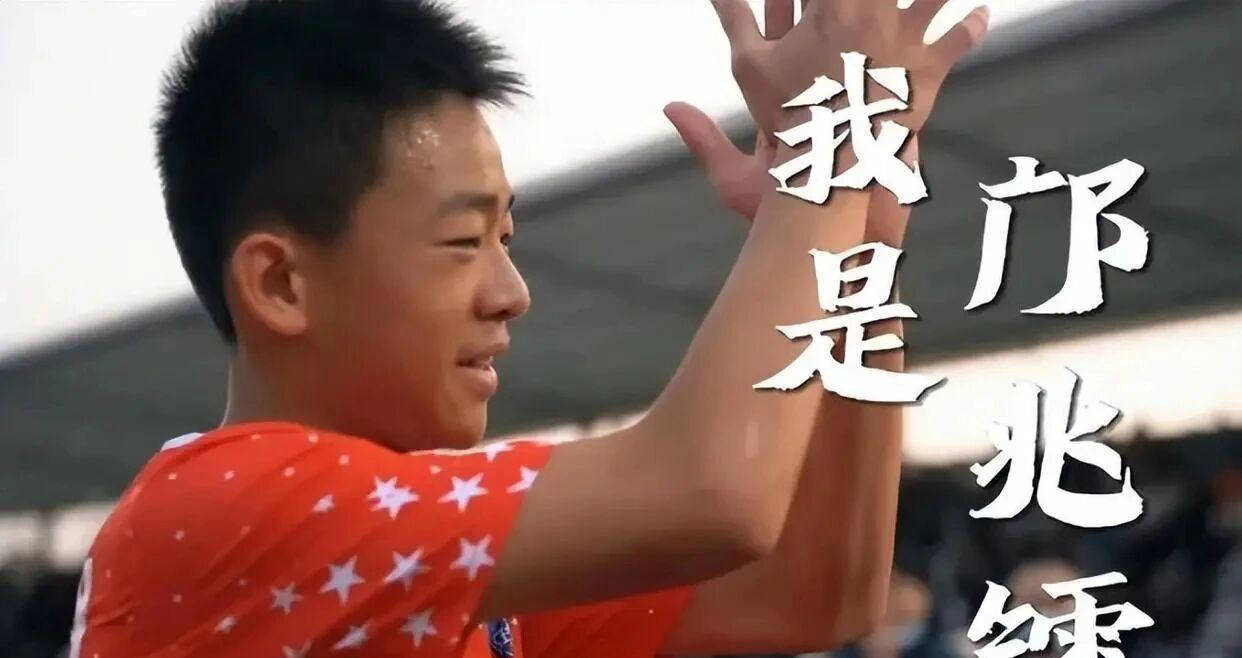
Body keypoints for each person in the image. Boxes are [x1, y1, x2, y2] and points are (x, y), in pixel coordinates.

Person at [69, 0, 989, 656]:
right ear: (280, 283)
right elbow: (713, 492)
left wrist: (861, 245)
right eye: (463, 242)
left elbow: (814, 592)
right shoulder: (214, 512)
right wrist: (826, 159)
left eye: (505, 239)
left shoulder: (441, 565)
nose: (512, 292)